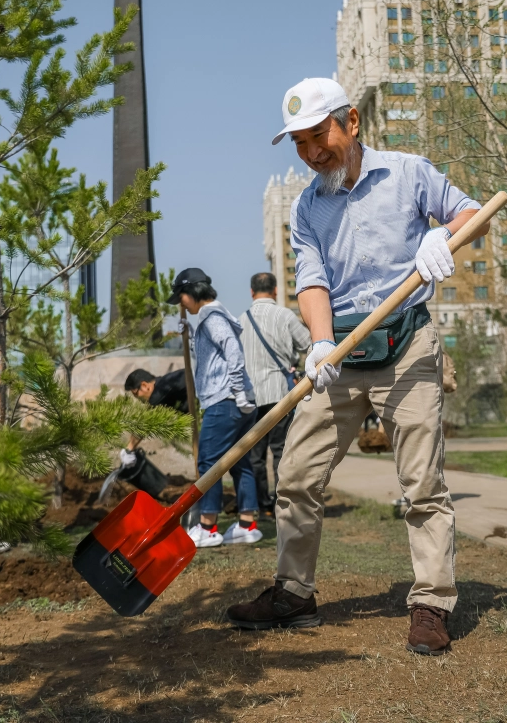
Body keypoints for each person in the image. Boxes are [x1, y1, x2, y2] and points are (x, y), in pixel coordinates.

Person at [225, 77, 488, 656]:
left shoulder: (409, 172)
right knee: (295, 476)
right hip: (341, 353)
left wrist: (443, 234)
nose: (313, 151)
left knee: (422, 484)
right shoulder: (307, 206)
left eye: (319, 135)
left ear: (351, 123)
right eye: (300, 142)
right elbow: (313, 281)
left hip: (407, 345)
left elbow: (475, 213)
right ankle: (294, 594)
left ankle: (431, 603)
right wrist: (320, 345)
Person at [170, 268, 262, 548]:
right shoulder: (212, 318)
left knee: (209, 463)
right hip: (238, 402)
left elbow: (232, 349)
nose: (182, 303)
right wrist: (192, 331)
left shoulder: (211, 317)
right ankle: (247, 524)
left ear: (192, 293)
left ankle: (207, 526)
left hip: (225, 402)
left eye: (182, 297)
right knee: (239, 462)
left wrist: (235, 388)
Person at [239, 272, 310, 516]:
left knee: (255, 456)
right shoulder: (285, 315)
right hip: (280, 394)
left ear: (251, 292)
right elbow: (308, 344)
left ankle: (262, 504)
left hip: (250, 398)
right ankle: (283, 502)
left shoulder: (241, 321)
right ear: (276, 290)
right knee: (281, 450)